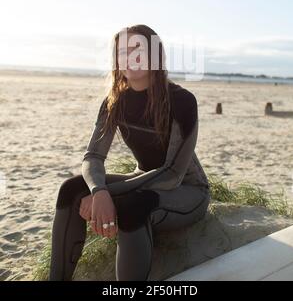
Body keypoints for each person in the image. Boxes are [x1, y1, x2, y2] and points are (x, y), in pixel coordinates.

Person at [49, 24, 210, 281]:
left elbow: (173, 174)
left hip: (187, 191)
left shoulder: (182, 101)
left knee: (133, 206)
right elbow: (93, 156)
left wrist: (105, 194)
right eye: (122, 51)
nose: (130, 56)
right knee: (71, 190)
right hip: (143, 178)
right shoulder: (114, 101)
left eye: (138, 49)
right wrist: (99, 191)